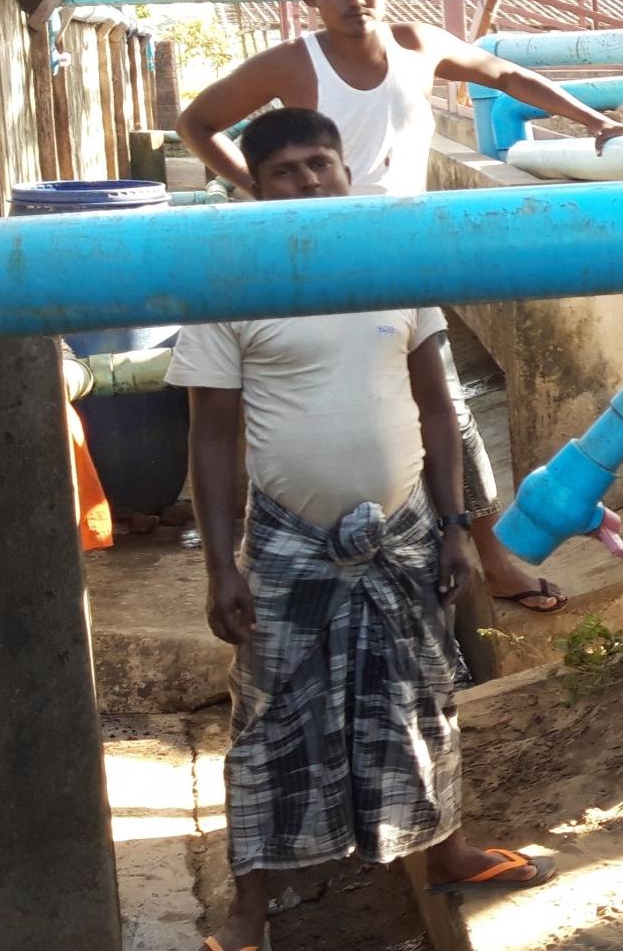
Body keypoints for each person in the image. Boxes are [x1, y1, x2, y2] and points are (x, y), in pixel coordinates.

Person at [170, 110, 557, 951]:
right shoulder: (229, 280)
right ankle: (248, 913)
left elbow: (438, 408)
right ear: (255, 186)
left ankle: (446, 851)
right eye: (287, 171)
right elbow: (210, 436)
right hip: (286, 543)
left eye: (322, 164)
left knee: (421, 697)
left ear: (347, 170)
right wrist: (221, 569)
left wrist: (457, 526)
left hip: (405, 530)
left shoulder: (392, 265)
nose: (310, 182)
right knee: (271, 719)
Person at [180, 0, 623, 609]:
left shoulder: (417, 47)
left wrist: (590, 120)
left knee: (441, 403)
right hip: (319, 263)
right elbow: (197, 122)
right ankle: (299, 557)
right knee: (325, 403)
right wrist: (260, 192)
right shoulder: (291, 64)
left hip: (403, 261)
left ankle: (486, 555)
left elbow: (503, 72)